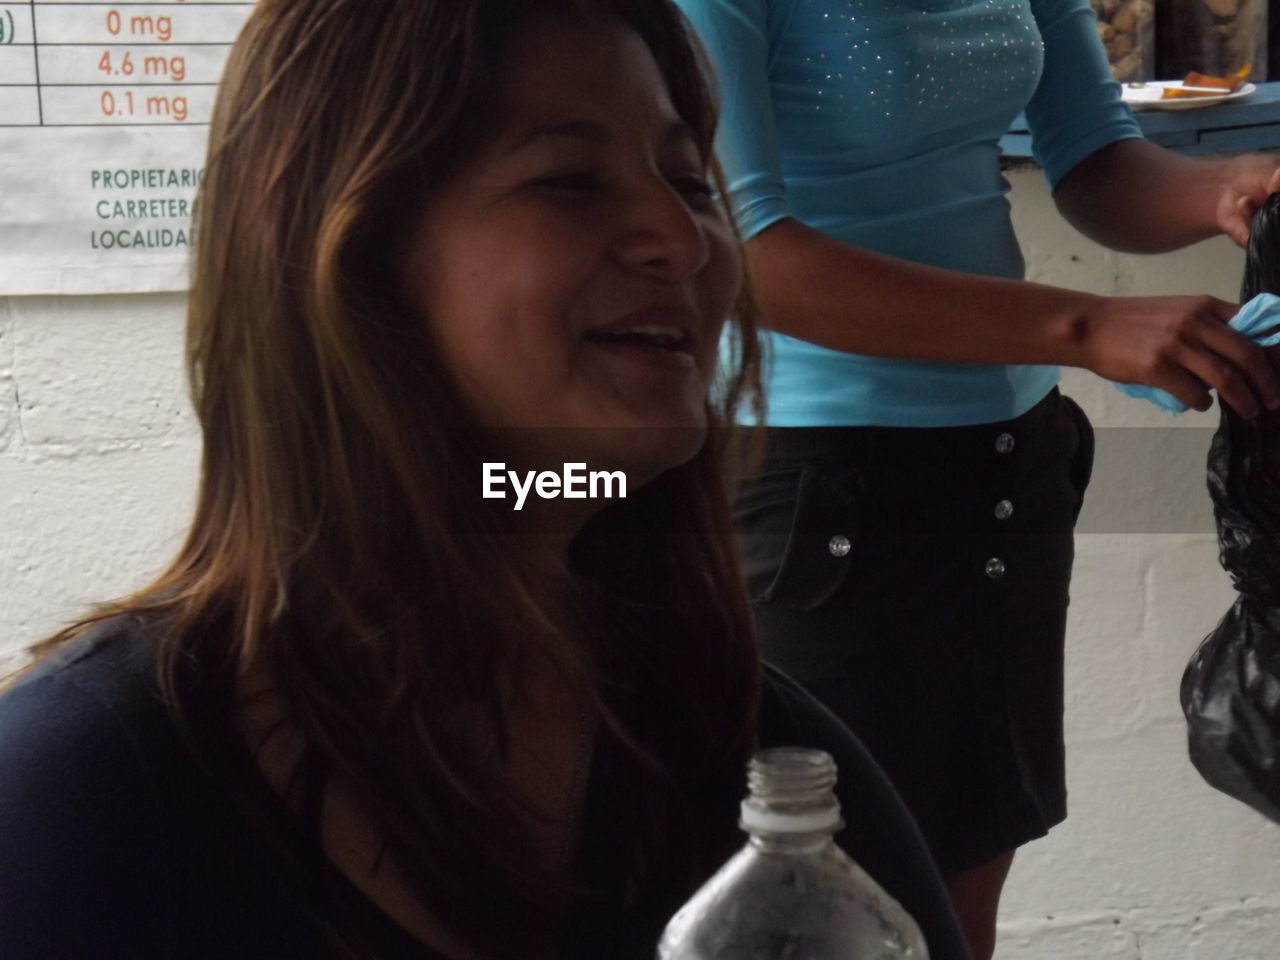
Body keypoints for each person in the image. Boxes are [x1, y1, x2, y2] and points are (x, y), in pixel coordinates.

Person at [0, 1, 970, 958]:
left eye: (688, 180)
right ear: (352, 258)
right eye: (567, 181)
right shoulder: (87, 793)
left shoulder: (757, 756)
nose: (680, 241)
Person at [673, 0, 1280, 956]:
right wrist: (1084, 327)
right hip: (817, 484)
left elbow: (1094, 156)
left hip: (1005, 461)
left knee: (951, 910)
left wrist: (1231, 187)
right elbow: (741, 252)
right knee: (815, 906)